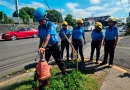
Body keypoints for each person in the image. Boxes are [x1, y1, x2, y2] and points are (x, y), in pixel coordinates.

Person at [34, 8, 66, 75]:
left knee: (59, 60)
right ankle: (42, 75)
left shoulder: (51, 25)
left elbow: (48, 36)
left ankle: (64, 73)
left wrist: (43, 47)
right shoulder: (40, 27)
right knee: (44, 61)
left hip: (54, 46)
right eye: (39, 21)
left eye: (41, 20)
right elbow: (42, 38)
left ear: (45, 18)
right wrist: (40, 47)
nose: (40, 22)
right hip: (47, 47)